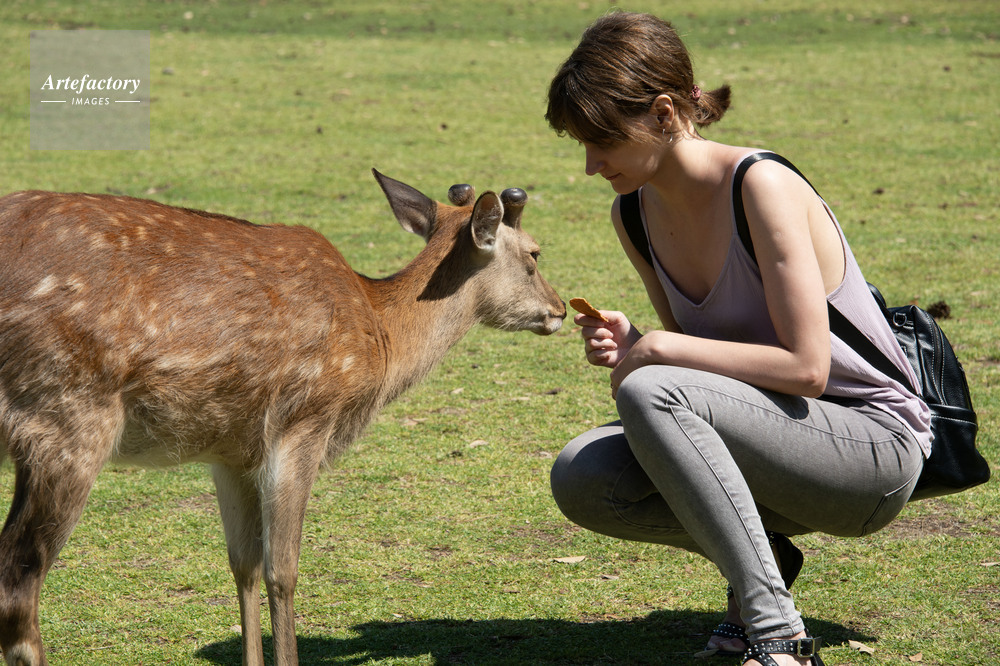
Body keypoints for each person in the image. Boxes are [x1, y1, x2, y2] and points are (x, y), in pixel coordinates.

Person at [545, 11, 932, 666]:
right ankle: (764, 559)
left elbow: (807, 368)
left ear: (664, 112)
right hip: (776, 445)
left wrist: (657, 352)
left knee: (654, 386)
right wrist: (637, 342)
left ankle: (778, 636)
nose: (590, 165)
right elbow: (700, 376)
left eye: (603, 139)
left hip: (872, 450)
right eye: (581, 143)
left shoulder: (760, 184)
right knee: (582, 474)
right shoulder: (633, 212)